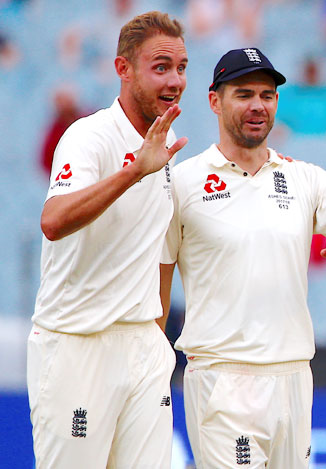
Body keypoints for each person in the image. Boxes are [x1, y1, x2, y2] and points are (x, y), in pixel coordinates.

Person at [159, 47, 326, 469]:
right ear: (215, 100)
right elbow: (158, 278)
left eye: (267, 96)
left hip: (293, 375)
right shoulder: (183, 182)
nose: (257, 106)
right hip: (221, 374)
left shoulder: (305, 178)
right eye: (244, 94)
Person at [27, 11, 188, 469]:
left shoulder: (166, 139)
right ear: (124, 69)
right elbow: (54, 220)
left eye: (181, 68)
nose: (175, 81)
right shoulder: (88, 136)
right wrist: (134, 170)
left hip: (143, 348)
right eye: (161, 67)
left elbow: (156, 249)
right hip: (78, 344)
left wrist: (156, 342)